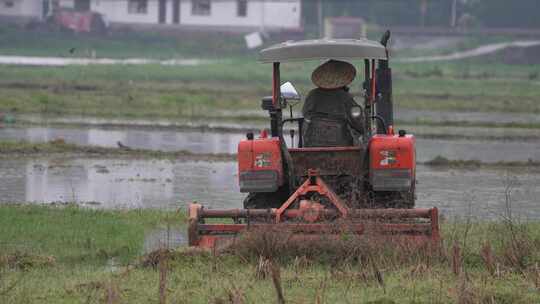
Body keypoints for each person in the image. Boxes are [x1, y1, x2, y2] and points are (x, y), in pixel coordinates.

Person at [302, 60, 364, 147]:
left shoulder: (312, 94)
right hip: (341, 143)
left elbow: (305, 113)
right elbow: (356, 120)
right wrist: (363, 129)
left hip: (313, 142)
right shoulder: (345, 97)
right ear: (343, 79)